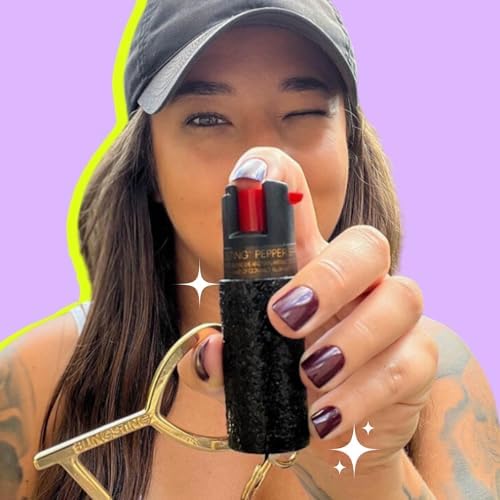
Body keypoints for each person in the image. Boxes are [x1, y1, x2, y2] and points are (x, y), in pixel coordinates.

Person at [1, 1, 499, 499]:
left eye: (303, 112)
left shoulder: (432, 377)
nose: (264, 162)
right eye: (207, 119)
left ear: (349, 145)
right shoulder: (36, 379)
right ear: (149, 164)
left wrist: (369, 476)